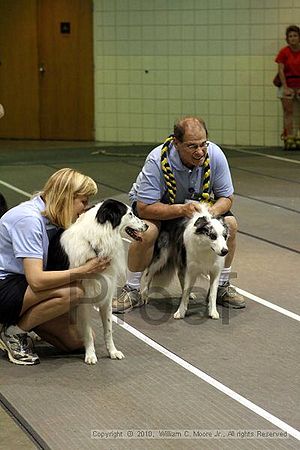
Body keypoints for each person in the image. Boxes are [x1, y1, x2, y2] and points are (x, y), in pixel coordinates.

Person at [112, 116, 246, 313]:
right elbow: (144, 208)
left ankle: (222, 286)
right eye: (192, 146)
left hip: (197, 211)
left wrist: (212, 213)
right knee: (147, 232)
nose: (200, 152)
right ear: (177, 143)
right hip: (159, 207)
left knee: (230, 225)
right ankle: (132, 289)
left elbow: (226, 197)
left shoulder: (215, 154)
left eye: (203, 144)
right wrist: (180, 210)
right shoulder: (157, 160)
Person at [0, 168, 110, 366]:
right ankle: (13, 334)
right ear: (67, 198)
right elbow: (37, 280)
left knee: (81, 340)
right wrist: (84, 270)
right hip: (6, 284)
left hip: (20, 283)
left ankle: (22, 321)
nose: (84, 209)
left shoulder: (54, 215)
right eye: (83, 202)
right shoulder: (29, 221)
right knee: (73, 292)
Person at [275, 25, 300, 148]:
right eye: (290, 36)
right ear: (287, 39)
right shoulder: (284, 52)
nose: (293, 38)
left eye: (295, 35)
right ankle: (289, 136)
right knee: (288, 112)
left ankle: (298, 135)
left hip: (299, 83)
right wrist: (285, 87)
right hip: (287, 83)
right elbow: (281, 70)